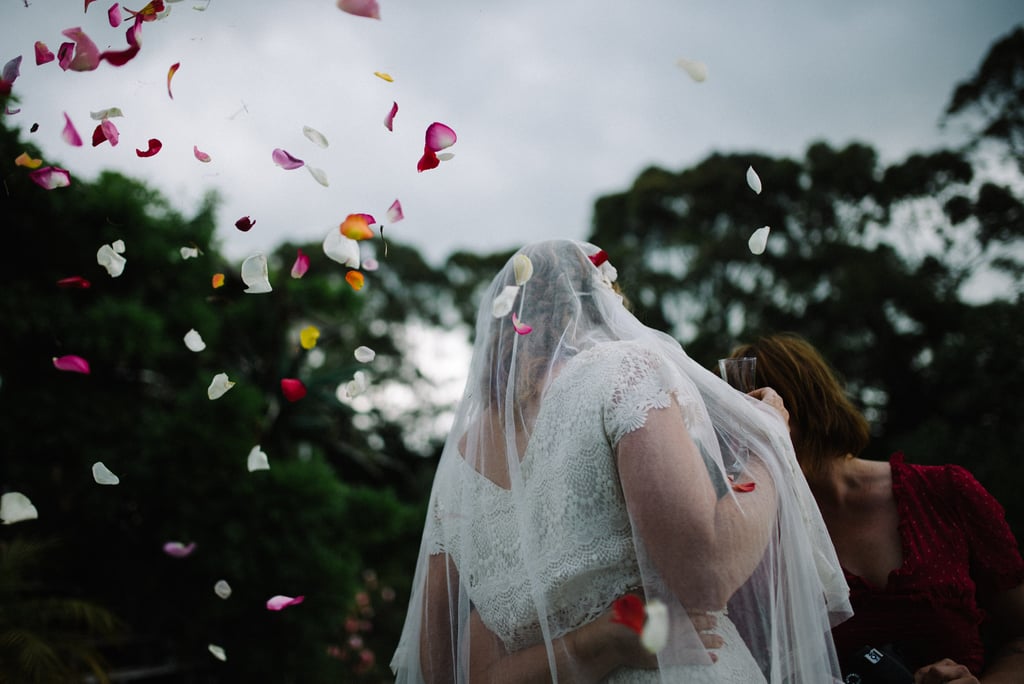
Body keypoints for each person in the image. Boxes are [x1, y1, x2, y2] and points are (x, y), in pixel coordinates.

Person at [391, 240, 851, 683]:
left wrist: (586, 645)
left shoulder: (461, 458)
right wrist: (770, 443)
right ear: (602, 301)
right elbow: (707, 574)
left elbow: (442, 668)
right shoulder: (621, 372)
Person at [726, 333, 1024, 682]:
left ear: (805, 407)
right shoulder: (759, 531)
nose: (741, 444)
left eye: (755, 419)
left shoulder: (947, 492)